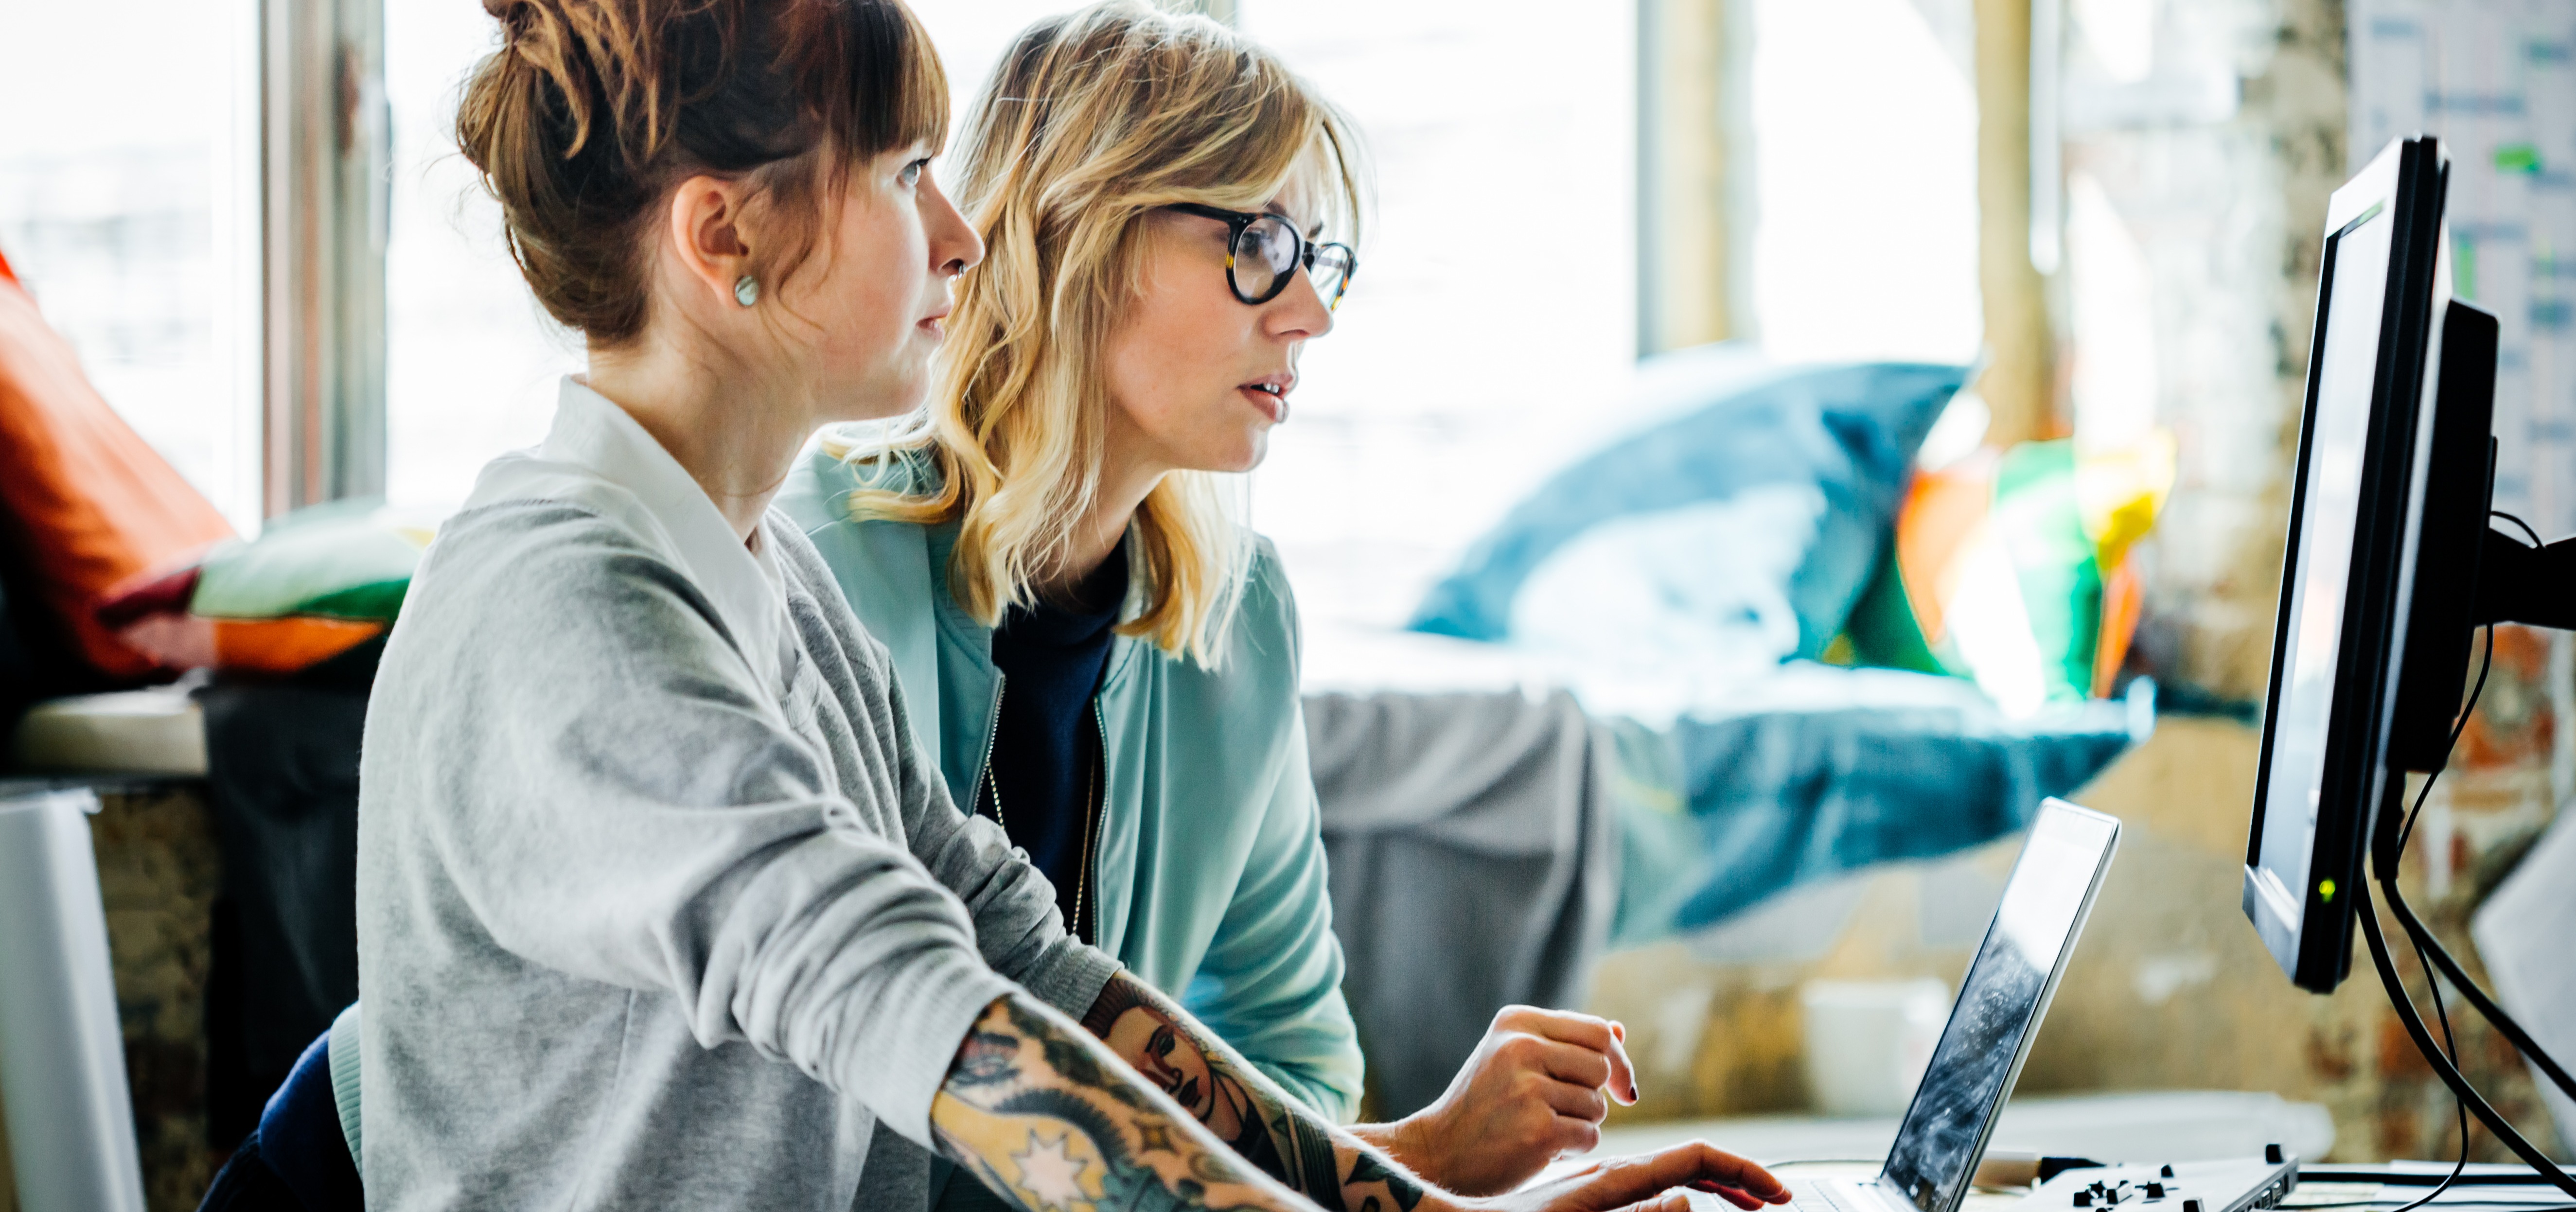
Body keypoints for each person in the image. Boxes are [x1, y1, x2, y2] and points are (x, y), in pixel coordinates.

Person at [347, 2, 1790, 1212]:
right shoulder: (579, 606)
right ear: (728, 240)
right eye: (905, 170)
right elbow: (903, 994)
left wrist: (1412, 1206)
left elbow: (1016, 953)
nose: (963, 234)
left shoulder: (759, 584)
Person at [781, 4, 1633, 1198]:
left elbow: (1293, 1058)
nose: (1310, 313)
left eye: (1317, 259)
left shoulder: (1234, 615)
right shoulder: (813, 562)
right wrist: (1419, 1171)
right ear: (1079, 230)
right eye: (1260, 247)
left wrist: (1409, 1174)